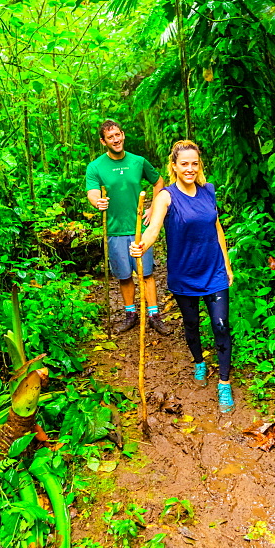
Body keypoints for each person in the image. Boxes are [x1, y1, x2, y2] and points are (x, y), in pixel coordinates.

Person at [130, 140, 236, 412]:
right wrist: (142, 245)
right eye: (184, 164)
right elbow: (153, 229)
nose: (190, 168)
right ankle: (199, 361)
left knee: (221, 325)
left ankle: (224, 383)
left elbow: (217, 227)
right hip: (184, 274)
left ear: (199, 165)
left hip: (213, 271)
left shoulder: (208, 191)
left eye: (194, 163)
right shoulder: (166, 196)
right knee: (191, 324)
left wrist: (227, 263)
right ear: (174, 166)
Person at [85, 120, 170, 336]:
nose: (116, 140)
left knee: (147, 273)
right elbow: (92, 192)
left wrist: (153, 207)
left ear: (123, 135)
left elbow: (159, 181)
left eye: (118, 135)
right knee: (124, 276)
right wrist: (98, 202)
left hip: (140, 229)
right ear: (103, 141)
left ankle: (154, 315)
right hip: (114, 230)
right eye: (110, 137)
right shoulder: (96, 166)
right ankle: (130, 314)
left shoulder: (138, 161)